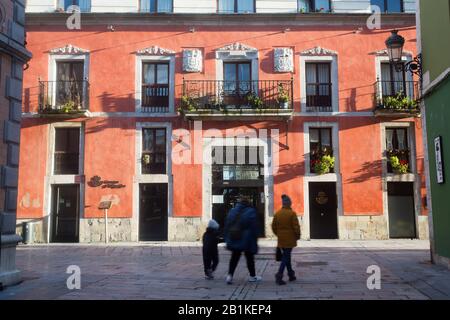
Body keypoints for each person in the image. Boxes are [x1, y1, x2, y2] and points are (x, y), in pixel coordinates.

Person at [223, 195, 261, 285]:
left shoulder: (232, 211)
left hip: (235, 237)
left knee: (234, 258)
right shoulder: (251, 211)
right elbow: (254, 227)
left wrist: (226, 238)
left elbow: (227, 225)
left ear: (239, 202)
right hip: (247, 240)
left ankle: (229, 276)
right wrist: (256, 238)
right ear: (248, 202)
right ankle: (252, 276)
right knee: (249, 258)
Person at [272, 194, 301, 285]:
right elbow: (296, 227)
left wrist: (278, 234)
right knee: (286, 256)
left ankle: (291, 274)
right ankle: (279, 274)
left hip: (281, 238)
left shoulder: (278, 213)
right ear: (289, 203)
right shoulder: (292, 213)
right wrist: (297, 236)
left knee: (286, 255)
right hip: (290, 238)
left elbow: (273, 226)